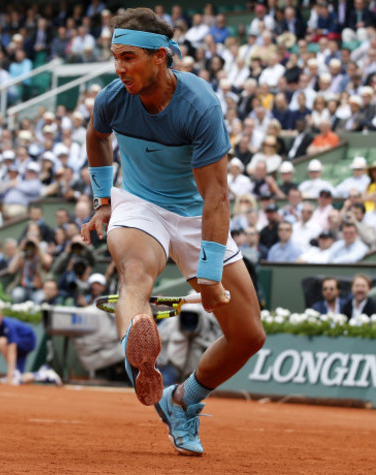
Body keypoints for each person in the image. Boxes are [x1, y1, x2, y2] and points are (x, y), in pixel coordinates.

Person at [81, 8, 264, 456]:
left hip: (198, 214)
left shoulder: (200, 105)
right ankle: (139, 356)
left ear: (160, 57)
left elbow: (216, 197)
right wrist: (104, 201)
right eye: (115, 58)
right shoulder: (112, 98)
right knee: (136, 274)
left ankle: (183, 399)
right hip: (140, 205)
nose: (120, 68)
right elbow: (97, 137)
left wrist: (209, 273)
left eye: (129, 58)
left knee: (248, 336)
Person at [0, 305, 62, 386]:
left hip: (27, 341)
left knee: (2, 341)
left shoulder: (8, 325)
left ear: (0, 316)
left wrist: (10, 376)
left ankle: (14, 373)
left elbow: (12, 350)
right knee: (18, 381)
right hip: (16, 346)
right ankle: (44, 374)